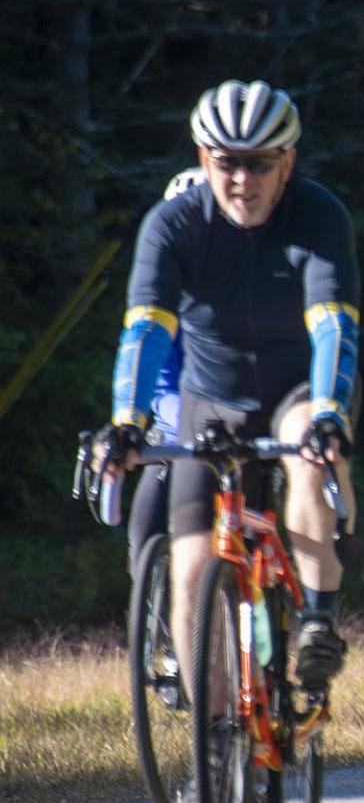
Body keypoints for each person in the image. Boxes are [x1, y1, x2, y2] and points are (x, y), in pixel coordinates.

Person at [95, 79, 360, 698]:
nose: (242, 180)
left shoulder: (319, 216)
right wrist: (129, 419)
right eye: (227, 163)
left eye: (259, 164)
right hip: (209, 398)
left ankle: (317, 620)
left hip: (299, 387)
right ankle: (215, 744)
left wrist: (328, 413)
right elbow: (145, 329)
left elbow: (333, 325)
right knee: (189, 572)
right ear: (202, 160)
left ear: (287, 162)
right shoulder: (172, 224)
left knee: (310, 452)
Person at [124, 169, 205, 577]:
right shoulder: (162, 293)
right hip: (175, 436)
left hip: (233, 437)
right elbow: (154, 376)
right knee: (144, 532)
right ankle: (151, 606)